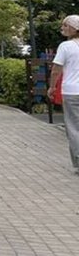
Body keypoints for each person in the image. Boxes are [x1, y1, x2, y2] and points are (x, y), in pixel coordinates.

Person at [50, 15, 79, 175]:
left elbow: (56, 69)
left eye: (66, 25)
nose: (62, 28)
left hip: (72, 92)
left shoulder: (66, 46)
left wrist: (52, 87)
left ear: (75, 29)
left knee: (74, 127)